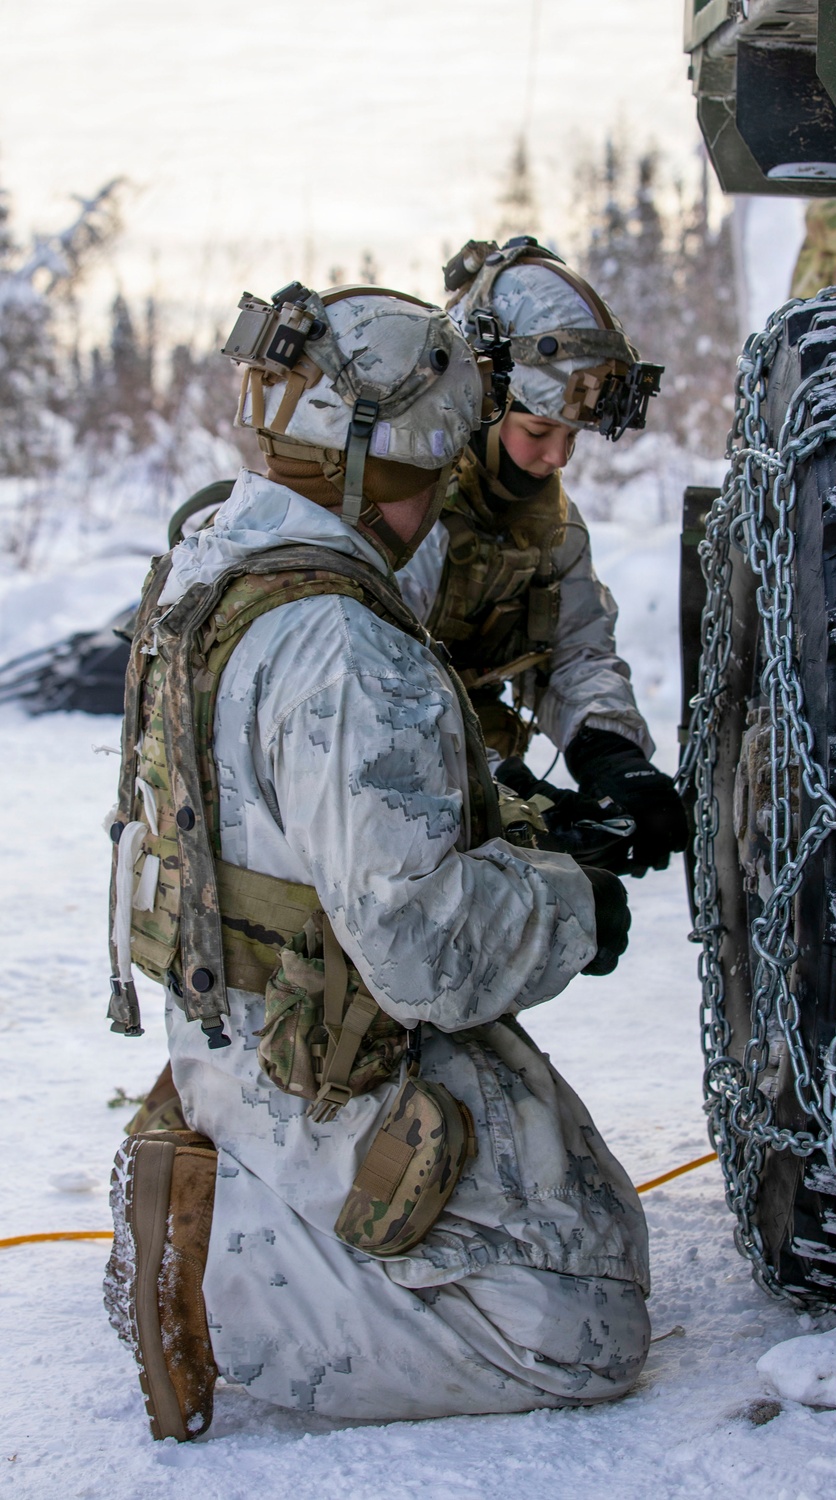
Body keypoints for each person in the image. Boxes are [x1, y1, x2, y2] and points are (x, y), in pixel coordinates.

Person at [103, 282, 650, 1443]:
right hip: (320, 1047)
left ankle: (220, 1144)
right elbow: (428, 954)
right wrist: (578, 907)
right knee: (581, 1313)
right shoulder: (349, 648)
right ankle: (217, 1274)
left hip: (240, 1008)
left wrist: (563, 792)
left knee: (582, 1186)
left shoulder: (215, 558)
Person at [396, 236, 688, 881]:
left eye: (573, 436)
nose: (558, 459)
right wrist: (502, 786)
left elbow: (576, 649)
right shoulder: (403, 511)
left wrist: (610, 752)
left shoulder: (549, 524)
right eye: (538, 432)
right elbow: (380, 701)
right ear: (478, 400)